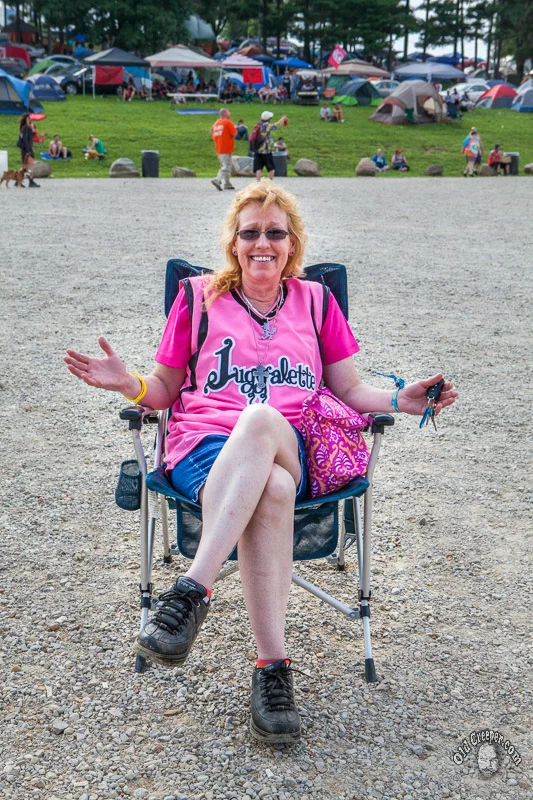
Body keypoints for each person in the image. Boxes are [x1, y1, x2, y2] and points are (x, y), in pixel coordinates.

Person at [64, 182, 458, 744]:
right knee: (270, 487)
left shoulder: (317, 302)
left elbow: (349, 390)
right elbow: (165, 389)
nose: (262, 243)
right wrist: (130, 385)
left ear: (292, 244)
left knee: (259, 420)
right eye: (250, 232)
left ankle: (191, 592)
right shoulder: (197, 298)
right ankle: (273, 669)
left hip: (292, 445)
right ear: (234, 242)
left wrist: (401, 399)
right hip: (205, 452)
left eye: (275, 232)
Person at [253, 110, 288, 182]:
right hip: (266, 150)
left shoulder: (258, 124)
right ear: (269, 119)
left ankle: (258, 182)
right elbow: (277, 125)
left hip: (257, 149)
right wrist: (283, 118)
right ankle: (270, 182)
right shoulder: (267, 125)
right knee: (271, 167)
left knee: (258, 167)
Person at [210, 108, 237, 191]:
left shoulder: (216, 123)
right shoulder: (228, 122)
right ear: (226, 114)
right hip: (226, 147)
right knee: (227, 166)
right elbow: (234, 133)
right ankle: (217, 180)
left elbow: (211, 133)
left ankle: (227, 183)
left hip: (219, 147)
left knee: (225, 166)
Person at [17, 113, 39, 187]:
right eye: (28, 118)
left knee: (25, 167)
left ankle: (18, 181)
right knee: (30, 166)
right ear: (26, 119)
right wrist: (28, 150)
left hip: (26, 149)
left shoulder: (26, 127)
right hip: (27, 149)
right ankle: (31, 182)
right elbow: (25, 139)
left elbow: (29, 137)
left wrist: (33, 131)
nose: (30, 120)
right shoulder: (25, 127)